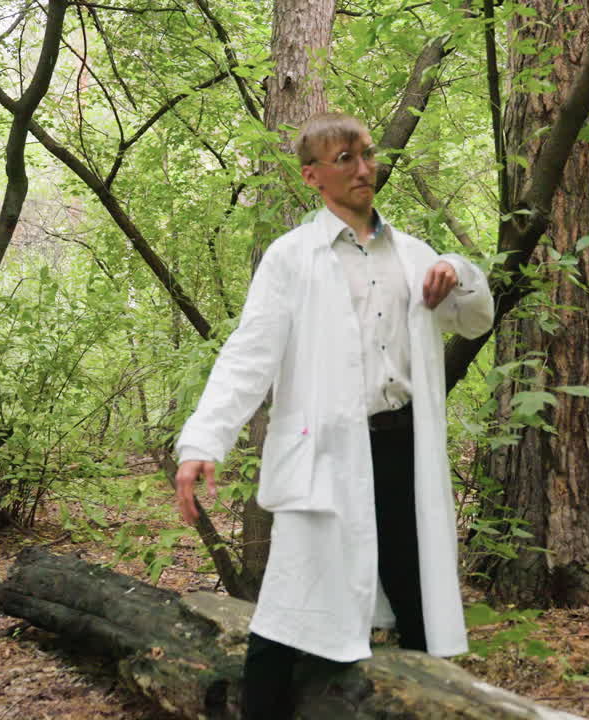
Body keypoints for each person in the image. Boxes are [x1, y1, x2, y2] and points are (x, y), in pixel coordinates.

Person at [172, 111, 494, 718]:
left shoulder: (416, 254)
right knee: (293, 602)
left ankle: (425, 708)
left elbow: (476, 320)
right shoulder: (293, 257)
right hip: (327, 454)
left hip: (403, 451)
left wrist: (460, 271)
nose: (364, 168)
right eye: (345, 159)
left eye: (367, 154)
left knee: (416, 597)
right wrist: (201, 442)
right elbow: (250, 354)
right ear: (312, 176)